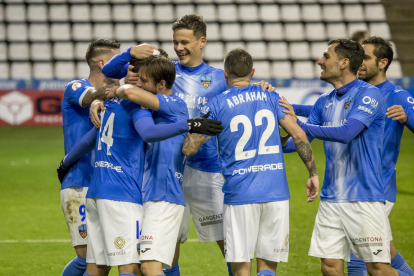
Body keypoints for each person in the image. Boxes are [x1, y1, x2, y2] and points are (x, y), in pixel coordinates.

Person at [97, 14, 275, 276]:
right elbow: (112, 74)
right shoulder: (162, 72)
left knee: (229, 245)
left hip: (206, 170)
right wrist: (128, 54)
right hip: (165, 169)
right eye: (175, 42)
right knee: (167, 247)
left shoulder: (218, 77)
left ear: (201, 41)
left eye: (184, 42)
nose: (179, 47)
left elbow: (240, 92)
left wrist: (260, 87)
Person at [183, 48, 319, 276]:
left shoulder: (217, 105)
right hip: (276, 193)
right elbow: (298, 136)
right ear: (253, 72)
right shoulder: (271, 96)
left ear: (225, 74)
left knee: (241, 269)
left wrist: (192, 127)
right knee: (267, 269)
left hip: (240, 195)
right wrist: (312, 173)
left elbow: (189, 148)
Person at [284, 36, 414, 276]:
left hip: (364, 196)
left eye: (326, 56)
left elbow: (346, 133)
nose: (319, 61)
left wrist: (297, 124)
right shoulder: (324, 102)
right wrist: (273, 138)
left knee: (377, 268)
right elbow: (297, 143)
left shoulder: (370, 95)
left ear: (344, 63)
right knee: (330, 266)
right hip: (331, 197)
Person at [104, 54, 190, 276]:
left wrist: (119, 89)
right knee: (145, 266)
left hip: (164, 195)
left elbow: (131, 93)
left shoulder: (175, 104)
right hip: (146, 195)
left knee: (151, 266)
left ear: (161, 84)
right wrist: (98, 101)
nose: (138, 83)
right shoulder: (148, 108)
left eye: (144, 80)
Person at [58, 38, 124, 276]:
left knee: (103, 259)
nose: (124, 66)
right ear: (102, 63)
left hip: (108, 183)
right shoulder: (75, 87)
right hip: (79, 180)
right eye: (119, 60)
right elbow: (88, 96)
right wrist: (100, 98)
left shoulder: (119, 97)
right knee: (88, 259)